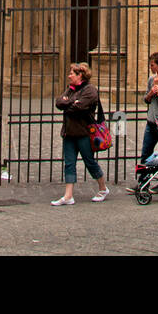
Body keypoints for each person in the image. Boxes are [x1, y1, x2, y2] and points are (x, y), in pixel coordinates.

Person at [52, 61, 110, 206]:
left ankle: (103, 188)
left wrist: (68, 103)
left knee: (89, 162)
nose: (69, 76)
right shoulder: (70, 89)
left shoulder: (90, 90)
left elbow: (79, 107)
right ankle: (68, 196)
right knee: (69, 163)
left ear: (80, 75)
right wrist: (71, 102)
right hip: (69, 132)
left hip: (84, 133)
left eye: (72, 73)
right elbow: (59, 103)